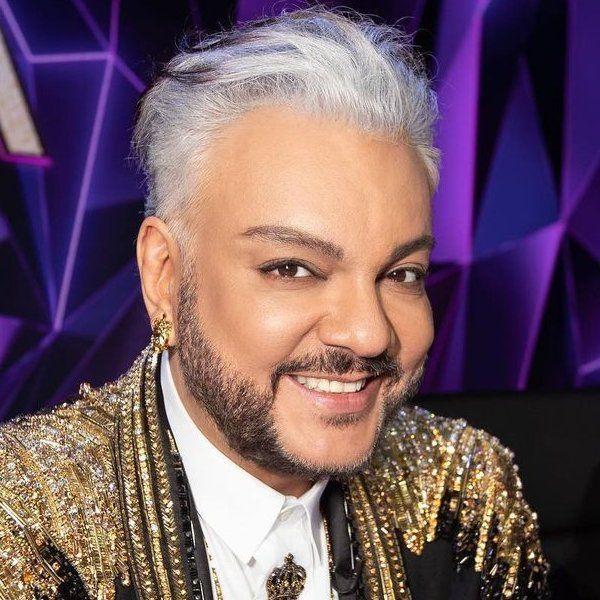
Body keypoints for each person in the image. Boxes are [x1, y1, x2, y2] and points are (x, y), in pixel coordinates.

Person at [0, 6, 549, 599]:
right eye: (292, 269)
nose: (369, 334)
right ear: (164, 275)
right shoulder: (24, 522)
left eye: (402, 274)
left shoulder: (465, 493)